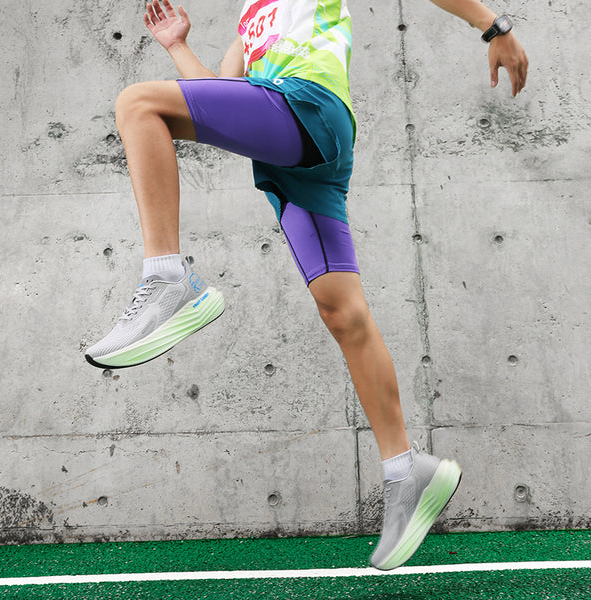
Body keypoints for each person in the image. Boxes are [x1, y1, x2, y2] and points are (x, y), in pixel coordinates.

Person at [85, 0, 528, 570]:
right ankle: (406, 468)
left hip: (306, 110)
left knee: (137, 102)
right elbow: (217, 98)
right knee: (342, 312)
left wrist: (492, 26)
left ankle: (169, 278)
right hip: (296, 158)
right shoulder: (250, 21)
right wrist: (178, 46)